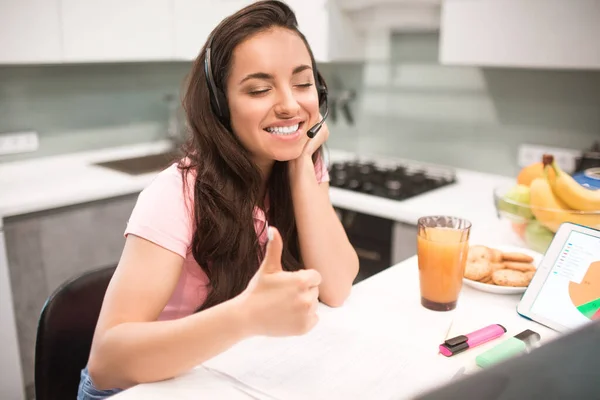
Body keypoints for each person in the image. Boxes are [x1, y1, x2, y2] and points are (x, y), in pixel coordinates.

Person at [77, 1, 359, 398]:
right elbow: (107, 362)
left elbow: (337, 286)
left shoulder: (303, 163)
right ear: (221, 105)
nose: (290, 105)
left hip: (222, 373)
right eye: (260, 89)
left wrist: (299, 166)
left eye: (302, 83)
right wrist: (246, 316)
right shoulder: (177, 193)